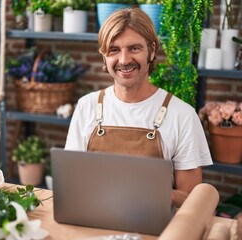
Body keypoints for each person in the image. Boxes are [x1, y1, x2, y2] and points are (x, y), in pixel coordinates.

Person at [64, 7, 213, 207]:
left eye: (134, 48)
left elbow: (191, 200)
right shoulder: (87, 106)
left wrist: (150, 193)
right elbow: (72, 183)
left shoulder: (182, 115)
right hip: (93, 224)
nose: (124, 60)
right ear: (104, 56)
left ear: (151, 51)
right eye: (114, 50)